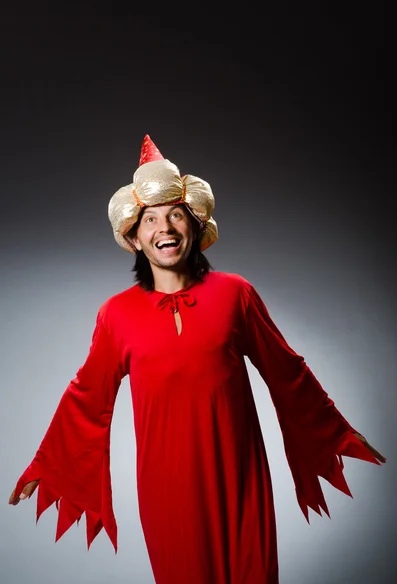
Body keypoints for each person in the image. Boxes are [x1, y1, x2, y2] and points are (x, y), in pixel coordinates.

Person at [9, 135, 386, 584]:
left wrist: (334, 428)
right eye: (151, 219)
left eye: (176, 215)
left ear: (195, 225)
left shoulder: (236, 294)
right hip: (167, 486)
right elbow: (86, 397)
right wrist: (47, 464)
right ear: (134, 237)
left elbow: (286, 370)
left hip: (239, 474)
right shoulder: (116, 315)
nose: (164, 228)